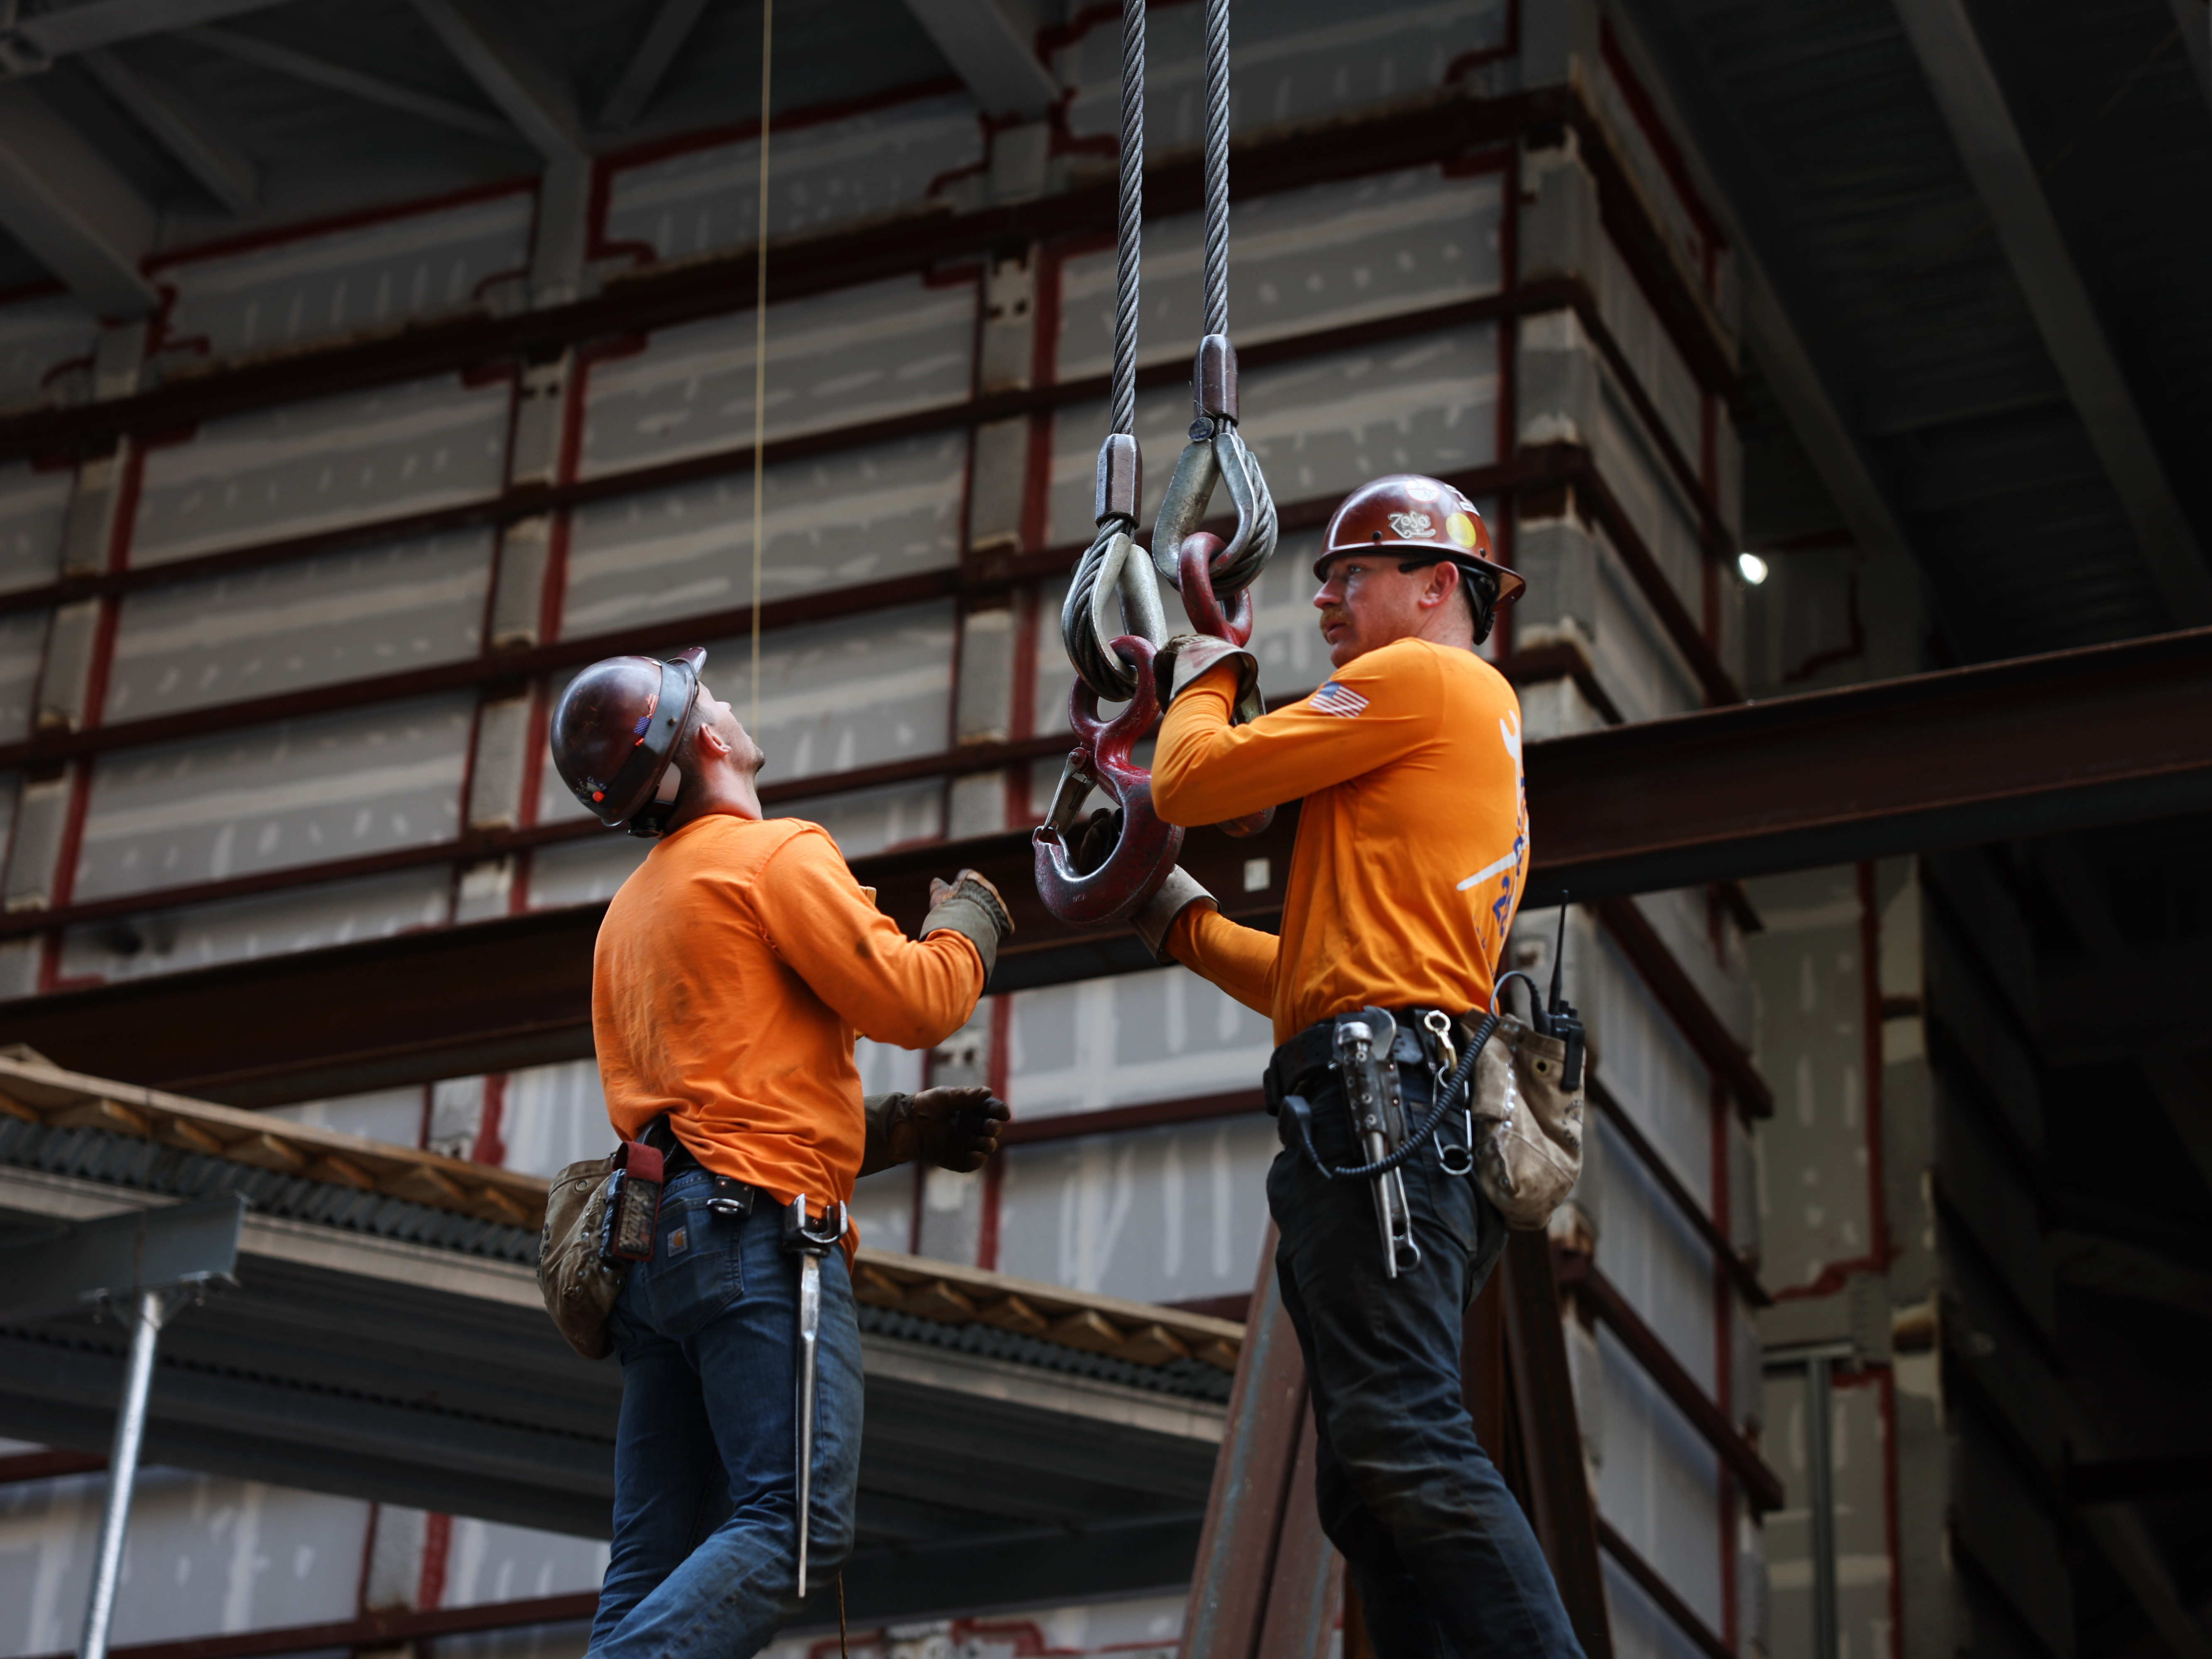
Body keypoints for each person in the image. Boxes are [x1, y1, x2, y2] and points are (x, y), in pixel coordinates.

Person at [1123, 476, 1583, 1657]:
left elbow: (1189, 780)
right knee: (1367, 1480)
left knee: (1404, 1437)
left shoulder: (1421, 677)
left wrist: (1207, 673)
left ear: (1439, 587)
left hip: (1380, 1109)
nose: (1324, 596)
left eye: (1353, 573)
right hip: (1398, 1100)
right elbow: (1324, 975)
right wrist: (1185, 921)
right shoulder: (1456, 724)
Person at [548, 646, 1015, 1659]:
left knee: (650, 1565)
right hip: (750, 1235)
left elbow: (718, 1088)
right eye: (712, 697)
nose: (727, 703)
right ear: (705, 738)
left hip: (656, 1250)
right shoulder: (774, 856)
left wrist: (889, 1128)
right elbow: (918, 998)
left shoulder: (629, 915)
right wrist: (969, 922)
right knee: (793, 1526)